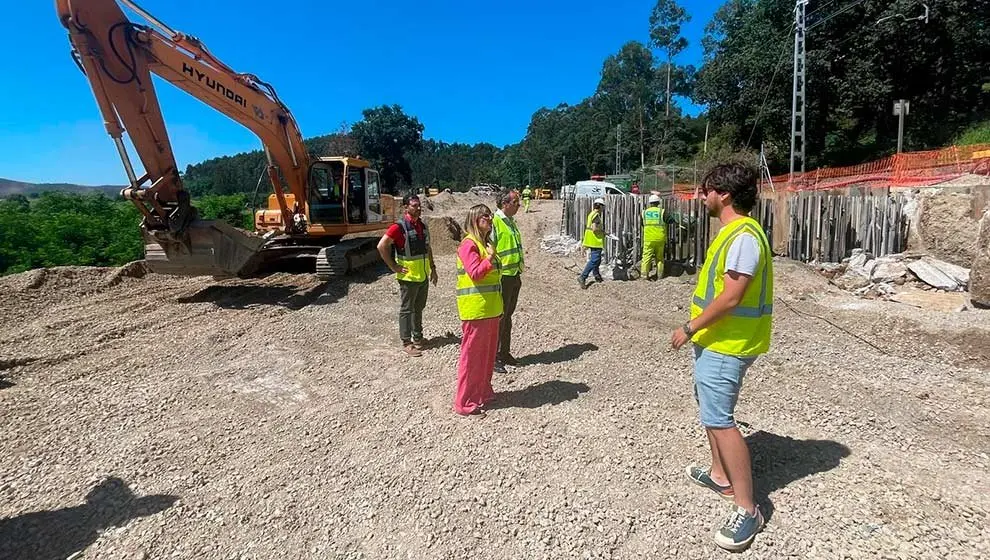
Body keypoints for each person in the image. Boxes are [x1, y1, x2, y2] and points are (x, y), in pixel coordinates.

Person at [670, 162, 773, 552]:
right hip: (717, 341)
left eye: (707, 189)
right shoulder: (734, 233)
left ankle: (747, 509)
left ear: (724, 194)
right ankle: (719, 474)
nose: (703, 196)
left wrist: (690, 328)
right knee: (709, 409)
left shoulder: (743, 236)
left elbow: (732, 297)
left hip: (727, 344)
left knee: (720, 420)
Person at [454, 204, 503, 416]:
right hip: (476, 310)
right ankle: (464, 402)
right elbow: (475, 273)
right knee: (472, 358)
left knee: (487, 356)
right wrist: (490, 258)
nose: (490, 218)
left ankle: (483, 392)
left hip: (491, 309)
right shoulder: (468, 244)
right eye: (486, 215)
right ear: (475, 219)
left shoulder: (486, 243)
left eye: (490, 215)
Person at [376, 194, 438, 357]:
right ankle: (407, 342)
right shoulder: (399, 227)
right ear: (406, 208)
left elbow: (427, 248)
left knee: (419, 308)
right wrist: (394, 267)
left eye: (418, 205)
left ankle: (418, 337)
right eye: (414, 205)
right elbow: (381, 246)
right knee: (406, 310)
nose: (418, 208)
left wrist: (433, 267)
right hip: (408, 278)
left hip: (423, 276)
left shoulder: (422, 226)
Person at [491, 189, 524, 373]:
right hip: (503, 276)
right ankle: (494, 356)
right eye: (516, 203)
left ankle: (505, 352)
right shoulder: (495, 222)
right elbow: (491, 250)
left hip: (514, 275)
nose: (519, 206)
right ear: (505, 204)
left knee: (508, 316)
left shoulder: (510, 222)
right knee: (499, 317)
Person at [640, 193, 678, 280]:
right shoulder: (662, 212)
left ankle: (644, 275)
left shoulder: (644, 213)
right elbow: (670, 220)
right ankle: (660, 275)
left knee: (646, 257)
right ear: (658, 203)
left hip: (648, 238)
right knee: (660, 257)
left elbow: (642, 224)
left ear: (650, 203)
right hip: (660, 238)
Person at [578, 198, 606, 289]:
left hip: (590, 239)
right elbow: (594, 228)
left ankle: (597, 275)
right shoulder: (596, 216)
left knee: (597, 260)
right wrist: (603, 231)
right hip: (595, 240)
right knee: (595, 259)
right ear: (600, 206)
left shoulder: (591, 214)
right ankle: (583, 277)